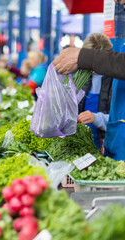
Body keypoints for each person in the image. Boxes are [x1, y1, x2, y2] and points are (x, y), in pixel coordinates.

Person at [53, 0, 125, 160]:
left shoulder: (110, 79)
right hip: (107, 146)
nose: (117, 1)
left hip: (105, 141)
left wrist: (96, 118)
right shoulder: (81, 78)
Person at [77, 33, 113, 150]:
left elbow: (119, 121)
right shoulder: (81, 78)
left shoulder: (116, 81)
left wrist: (97, 118)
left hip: (106, 147)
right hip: (82, 146)